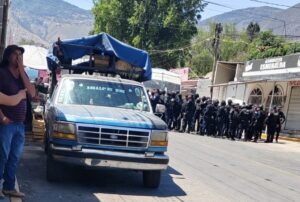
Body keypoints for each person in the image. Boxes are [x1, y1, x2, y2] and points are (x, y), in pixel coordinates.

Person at [0, 45, 35, 198]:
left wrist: (21, 69)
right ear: (8, 56)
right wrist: (1, 116)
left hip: (19, 125)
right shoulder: (2, 74)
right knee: (2, 156)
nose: (19, 58)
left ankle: (8, 187)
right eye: (16, 55)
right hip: (6, 123)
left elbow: (32, 93)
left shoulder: (22, 75)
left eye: (21, 55)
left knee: (14, 157)